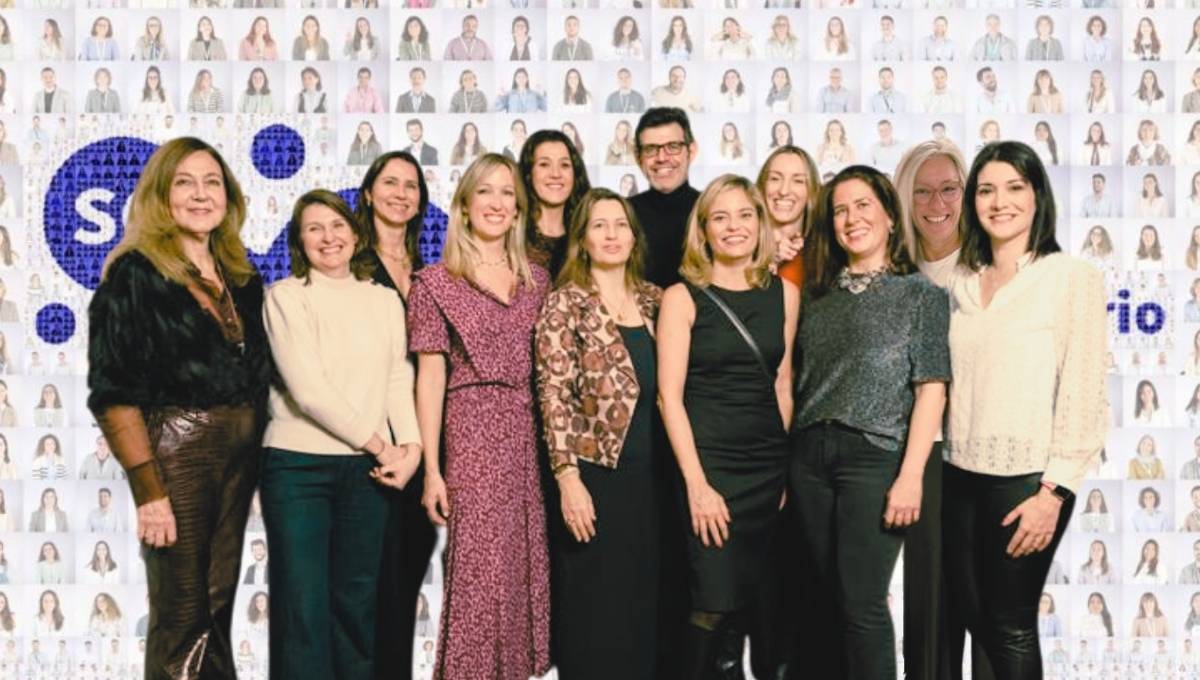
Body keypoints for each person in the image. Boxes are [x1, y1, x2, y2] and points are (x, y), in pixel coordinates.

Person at [86, 138, 272, 678]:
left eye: (212, 182)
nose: (200, 194)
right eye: (184, 183)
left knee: (215, 609)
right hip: (177, 453)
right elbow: (114, 393)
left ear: (229, 196)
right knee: (182, 613)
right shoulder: (135, 274)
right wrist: (150, 492)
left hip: (238, 456)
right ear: (160, 196)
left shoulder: (240, 277)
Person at [943, 141, 1109, 679]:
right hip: (958, 473)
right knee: (974, 613)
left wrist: (1053, 492)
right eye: (986, 190)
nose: (1000, 202)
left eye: (1015, 188)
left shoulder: (1069, 277)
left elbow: (1083, 389)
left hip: (1026, 479)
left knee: (1009, 623)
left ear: (1038, 195)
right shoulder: (961, 282)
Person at [792, 164, 949, 679]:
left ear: (889, 216)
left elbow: (931, 389)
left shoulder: (920, 294)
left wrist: (910, 477)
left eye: (863, 206)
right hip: (808, 457)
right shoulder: (816, 296)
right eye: (840, 210)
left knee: (862, 603)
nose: (851, 219)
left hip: (874, 457)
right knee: (821, 601)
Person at [260, 189, 420, 679]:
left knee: (357, 606)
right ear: (299, 240)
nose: (328, 238)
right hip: (298, 468)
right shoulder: (286, 296)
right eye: (314, 228)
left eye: (337, 226)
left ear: (355, 233)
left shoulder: (383, 300)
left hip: (368, 473)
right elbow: (309, 391)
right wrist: (380, 445)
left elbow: (397, 378)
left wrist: (411, 448)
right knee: (303, 609)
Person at [408, 154, 551, 680]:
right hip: (471, 433)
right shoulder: (435, 282)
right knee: (477, 571)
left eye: (507, 193)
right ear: (464, 206)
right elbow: (430, 379)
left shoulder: (538, 281)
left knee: (520, 567)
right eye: (485, 191)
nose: (497, 202)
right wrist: (432, 470)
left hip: (529, 434)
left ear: (518, 210)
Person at [657, 174, 798, 679]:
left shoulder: (785, 294)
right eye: (720, 217)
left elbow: (782, 386)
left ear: (760, 224)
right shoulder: (682, 297)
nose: (734, 226)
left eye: (744, 215)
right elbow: (668, 398)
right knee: (711, 601)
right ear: (704, 230)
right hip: (710, 466)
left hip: (767, 468)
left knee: (753, 600)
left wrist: (783, 471)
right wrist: (697, 485)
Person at [535, 188, 662, 680]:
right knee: (594, 610)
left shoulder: (655, 300)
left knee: (643, 607)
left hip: (654, 481)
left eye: (620, 224)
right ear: (582, 239)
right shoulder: (565, 303)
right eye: (599, 225)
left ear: (634, 236)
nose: (612, 235)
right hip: (595, 478)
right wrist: (568, 480)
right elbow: (553, 394)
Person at [348, 152, 440, 680]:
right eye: (390, 182)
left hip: (423, 444)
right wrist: (384, 443)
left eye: (411, 186)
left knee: (404, 584)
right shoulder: (349, 264)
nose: (400, 193)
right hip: (371, 445)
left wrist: (423, 449)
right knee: (367, 588)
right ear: (367, 193)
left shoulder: (430, 271)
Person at [629, 108, 700, 290]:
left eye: (673, 146)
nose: (661, 158)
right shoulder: (623, 214)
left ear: (691, 151)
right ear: (638, 157)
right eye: (650, 149)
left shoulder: (712, 210)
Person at [518, 130, 590, 278]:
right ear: (529, 174)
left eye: (564, 165)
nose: (556, 174)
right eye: (544, 164)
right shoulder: (512, 235)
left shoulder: (588, 236)